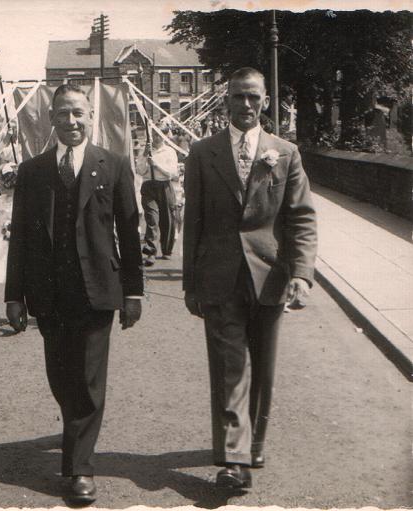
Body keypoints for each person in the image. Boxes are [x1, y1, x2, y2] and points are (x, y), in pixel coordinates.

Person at [4, 83, 143, 505]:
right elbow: (21, 240)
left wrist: (133, 292)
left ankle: (79, 468)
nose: (71, 121)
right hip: (49, 294)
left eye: (79, 113)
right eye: (63, 113)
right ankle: (75, 439)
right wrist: (14, 296)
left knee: (87, 381)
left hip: (97, 290)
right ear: (51, 119)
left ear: (91, 117)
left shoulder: (114, 165)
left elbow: (130, 233)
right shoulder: (32, 171)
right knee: (61, 378)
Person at [182, 67, 317, 490]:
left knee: (264, 370)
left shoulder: (285, 152)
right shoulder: (203, 153)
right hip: (219, 277)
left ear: (265, 102)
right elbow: (194, 222)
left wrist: (302, 273)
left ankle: (254, 443)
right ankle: (234, 460)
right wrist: (191, 283)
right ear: (227, 100)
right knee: (231, 367)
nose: (246, 104)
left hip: (270, 276)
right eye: (238, 96)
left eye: (253, 97)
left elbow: (301, 218)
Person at [137, 129, 179, 266]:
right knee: (152, 218)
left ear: (164, 136)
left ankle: (167, 250)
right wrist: (144, 157)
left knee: (168, 219)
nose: (156, 138)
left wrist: (156, 164)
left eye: (159, 135)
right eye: (154, 135)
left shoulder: (169, 151)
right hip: (149, 186)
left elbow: (172, 172)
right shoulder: (145, 150)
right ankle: (150, 251)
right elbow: (140, 171)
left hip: (165, 186)